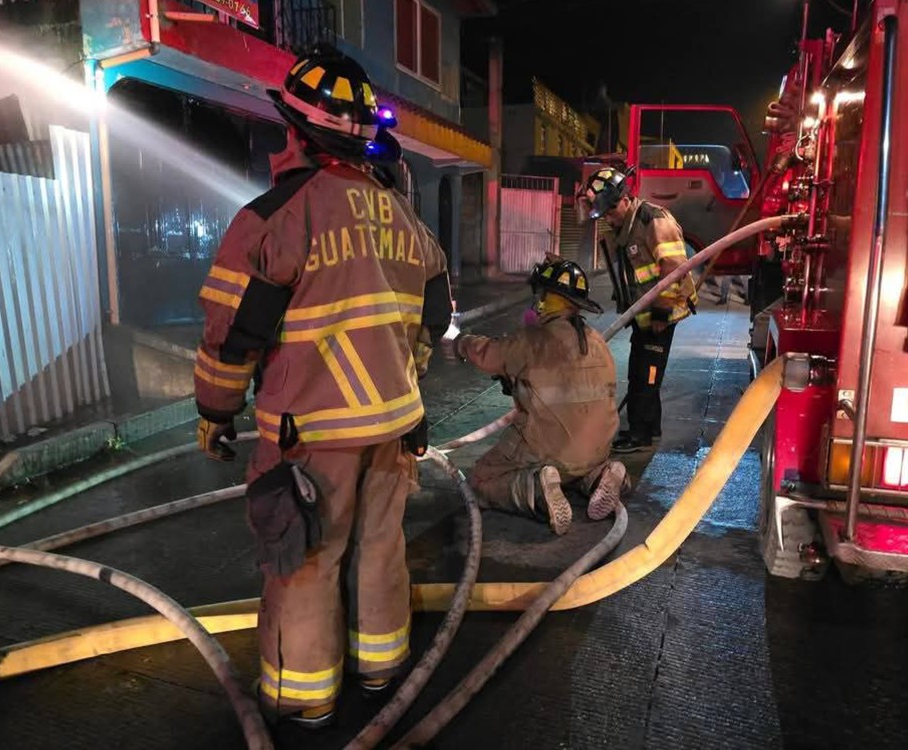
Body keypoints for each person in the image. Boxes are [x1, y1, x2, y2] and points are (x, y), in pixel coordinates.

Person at [193, 45, 451, 729]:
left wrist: (215, 411)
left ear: (294, 129)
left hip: (311, 434)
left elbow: (233, 335)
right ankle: (382, 668)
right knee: (381, 549)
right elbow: (435, 319)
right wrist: (405, 393)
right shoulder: (407, 220)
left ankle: (303, 697)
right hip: (395, 426)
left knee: (306, 562)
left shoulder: (276, 217)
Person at [444, 258, 628, 534]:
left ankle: (536, 490)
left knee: (482, 479)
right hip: (597, 447)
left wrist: (459, 342)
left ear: (547, 299)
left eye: (540, 295)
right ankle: (601, 475)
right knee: (574, 465)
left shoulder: (533, 340)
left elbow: (489, 354)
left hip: (547, 447)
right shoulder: (596, 340)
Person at [580, 167, 697, 453]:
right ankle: (649, 429)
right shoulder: (624, 227)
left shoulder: (653, 220)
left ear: (624, 199)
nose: (608, 218)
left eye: (610, 211)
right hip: (643, 314)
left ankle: (640, 435)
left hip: (661, 314)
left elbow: (673, 270)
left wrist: (660, 314)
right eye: (604, 214)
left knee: (646, 375)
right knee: (640, 371)